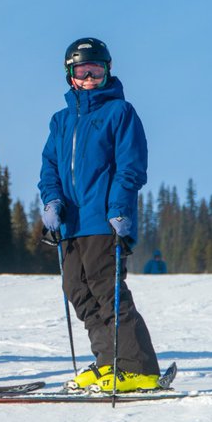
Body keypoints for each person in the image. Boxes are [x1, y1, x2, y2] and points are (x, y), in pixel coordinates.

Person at [39, 37, 161, 393]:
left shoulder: (120, 113)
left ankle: (138, 368)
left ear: (108, 71)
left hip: (104, 220)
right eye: (83, 71)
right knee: (77, 290)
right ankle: (108, 362)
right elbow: (50, 167)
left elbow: (130, 167)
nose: (90, 77)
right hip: (70, 224)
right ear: (70, 75)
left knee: (108, 292)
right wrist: (51, 202)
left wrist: (119, 210)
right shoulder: (60, 121)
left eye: (97, 70)